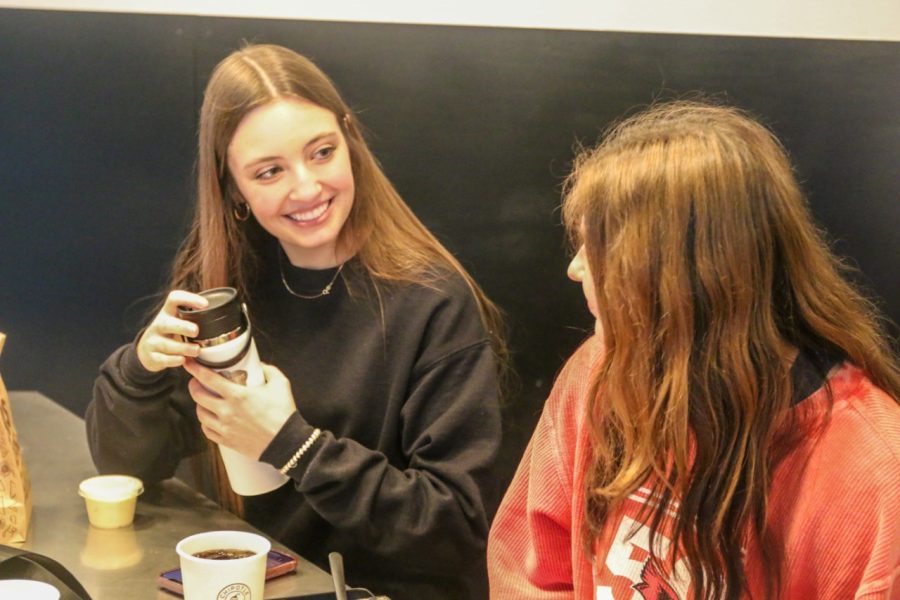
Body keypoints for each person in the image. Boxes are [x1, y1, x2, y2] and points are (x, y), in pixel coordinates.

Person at [86, 43, 507, 600]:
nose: (306, 188)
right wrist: (139, 370)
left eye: (322, 152)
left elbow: (456, 529)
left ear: (350, 139)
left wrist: (293, 445)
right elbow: (125, 469)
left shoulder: (431, 301)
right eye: (269, 171)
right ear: (234, 187)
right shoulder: (227, 285)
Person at [487, 101, 900, 599]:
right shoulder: (598, 370)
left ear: (675, 274)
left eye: (599, 246)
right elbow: (530, 570)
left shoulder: (874, 471)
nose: (576, 268)